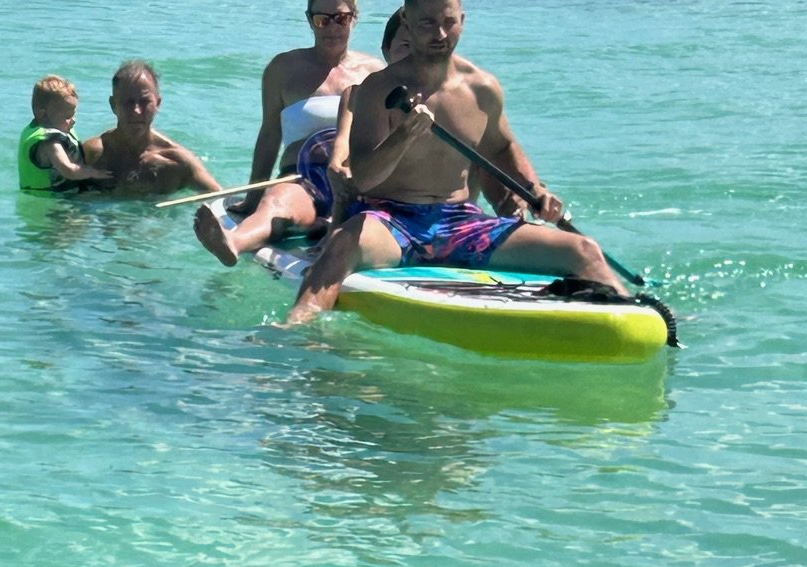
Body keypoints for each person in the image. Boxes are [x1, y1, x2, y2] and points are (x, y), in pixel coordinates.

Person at [286, 0, 628, 324]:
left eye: (448, 22)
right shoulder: (379, 89)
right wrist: (403, 137)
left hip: (463, 224)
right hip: (393, 220)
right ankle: (299, 330)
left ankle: (640, 316)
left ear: (462, 20)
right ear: (407, 21)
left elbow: (501, 146)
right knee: (342, 244)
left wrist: (535, 189)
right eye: (427, 23)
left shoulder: (482, 88)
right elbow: (364, 179)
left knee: (582, 249)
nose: (439, 34)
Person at [194, 7, 402, 269]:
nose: (332, 27)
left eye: (341, 18)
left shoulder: (374, 72)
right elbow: (270, 134)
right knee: (277, 206)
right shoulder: (282, 69)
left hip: (356, 182)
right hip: (302, 180)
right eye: (322, 19)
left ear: (354, 17)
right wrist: (253, 195)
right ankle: (233, 243)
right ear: (309, 20)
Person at [81, 62, 220, 199]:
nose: (136, 111)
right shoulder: (93, 153)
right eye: (128, 102)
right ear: (113, 105)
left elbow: (220, 198)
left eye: (144, 102)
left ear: (157, 104)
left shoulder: (177, 163)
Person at [17, 76, 113, 194]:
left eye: (73, 115)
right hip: (51, 202)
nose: (73, 120)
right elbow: (69, 170)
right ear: (43, 114)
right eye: (67, 117)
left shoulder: (37, 129)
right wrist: (92, 172)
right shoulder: (50, 143)